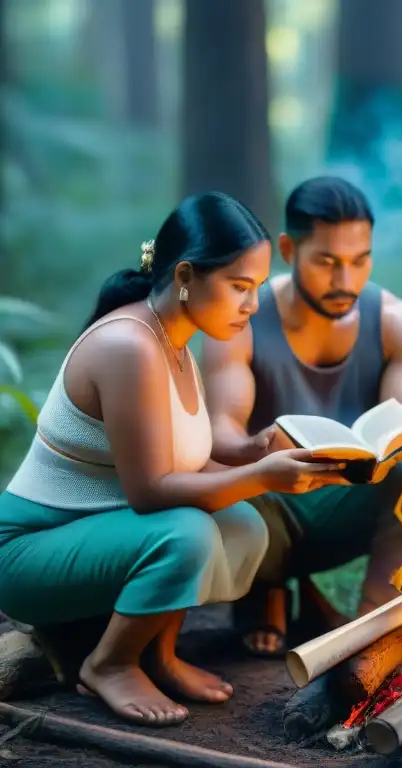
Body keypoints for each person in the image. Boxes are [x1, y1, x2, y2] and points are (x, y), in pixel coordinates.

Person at [0, 192, 349, 727]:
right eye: (239, 287)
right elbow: (152, 491)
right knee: (186, 531)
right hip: (25, 552)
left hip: (96, 533)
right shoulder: (130, 346)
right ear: (186, 274)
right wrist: (261, 476)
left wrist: (261, 454)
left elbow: (188, 460)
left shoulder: (176, 343)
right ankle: (109, 663)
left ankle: (157, 655)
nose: (252, 306)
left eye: (256, 289)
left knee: (241, 526)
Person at [201, 175, 402, 657]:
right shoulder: (241, 319)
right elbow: (220, 433)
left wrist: (383, 454)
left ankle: (372, 623)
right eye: (327, 262)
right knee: (212, 477)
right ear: (290, 250)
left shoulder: (399, 322)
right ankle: (266, 590)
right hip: (267, 498)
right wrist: (263, 449)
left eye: (360, 261)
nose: (345, 281)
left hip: (345, 501)